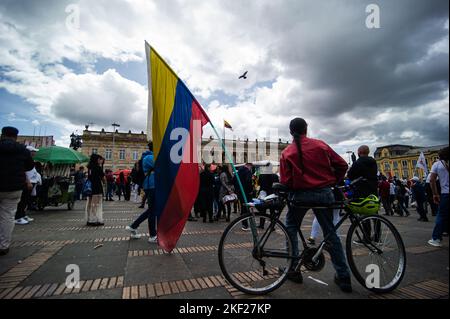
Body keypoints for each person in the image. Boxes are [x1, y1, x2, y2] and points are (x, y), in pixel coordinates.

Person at [280, 118, 352, 293]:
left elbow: (285, 180)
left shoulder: (287, 152)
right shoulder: (320, 145)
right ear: (306, 129)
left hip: (300, 196)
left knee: (291, 227)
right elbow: (342, 164)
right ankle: (343, 276)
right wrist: (334, 180)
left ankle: (293, 268)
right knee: (330, 232)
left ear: (291, 132)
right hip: (323, 194)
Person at [0, 127, 34, 255]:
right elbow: (30, 166)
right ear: (15, 136)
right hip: (14, 187)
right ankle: (3, 245)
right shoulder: (22, 149)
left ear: (2, 135)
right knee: (7, 216)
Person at [347, 145, 380, 244]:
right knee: (375, 213)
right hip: (373, 190)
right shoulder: (373, 161)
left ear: (359, 152)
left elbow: (350, 175)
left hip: (362, 190)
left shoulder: (359, 162)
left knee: (364, 213)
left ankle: (367, 237)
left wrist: (354, 162)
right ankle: (378, 237)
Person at [125, 142, 158, 243]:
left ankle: (134, 226)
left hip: (151, 184)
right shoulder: (149, 157)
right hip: (152, 184)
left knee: (152, 210)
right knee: (153, 211)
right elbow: (162, 166)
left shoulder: (148, 156)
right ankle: (152, 235)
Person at [428, 147, 449, 247]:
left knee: (441, 215)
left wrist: (435, 194)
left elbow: (432, 180)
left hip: (446, 193)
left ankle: (436, 238)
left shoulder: (437, 164)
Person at [257, 164, 279, 228]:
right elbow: (277, 184)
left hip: (263, 194)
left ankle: (261, 225)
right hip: (272, 195)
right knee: (272, 211)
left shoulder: (262, 175)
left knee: (262, 211)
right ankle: (272, 226)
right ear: (272, 168)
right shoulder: (275, 176)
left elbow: (259, 183)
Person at [85, 154, 105, 226]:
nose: (101, 160)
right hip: (97, 187)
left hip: (90, 187)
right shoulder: (98, 167)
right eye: (99, 159)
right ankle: (94, 219)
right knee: (96, 204)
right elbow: (103, 177)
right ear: (96, 160)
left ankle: (89, 219)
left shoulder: (90, 167)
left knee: (90, 204)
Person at [234, 163, 254, 230]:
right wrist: (251, 190)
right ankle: (246, 224)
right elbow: (249, 182)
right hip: (247, 193)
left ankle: (244, 224)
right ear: (249, 165)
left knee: (243, 208)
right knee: (248, 208)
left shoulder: (239, 171)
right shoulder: (247, 171)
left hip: (240, 193)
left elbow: (234, 181)